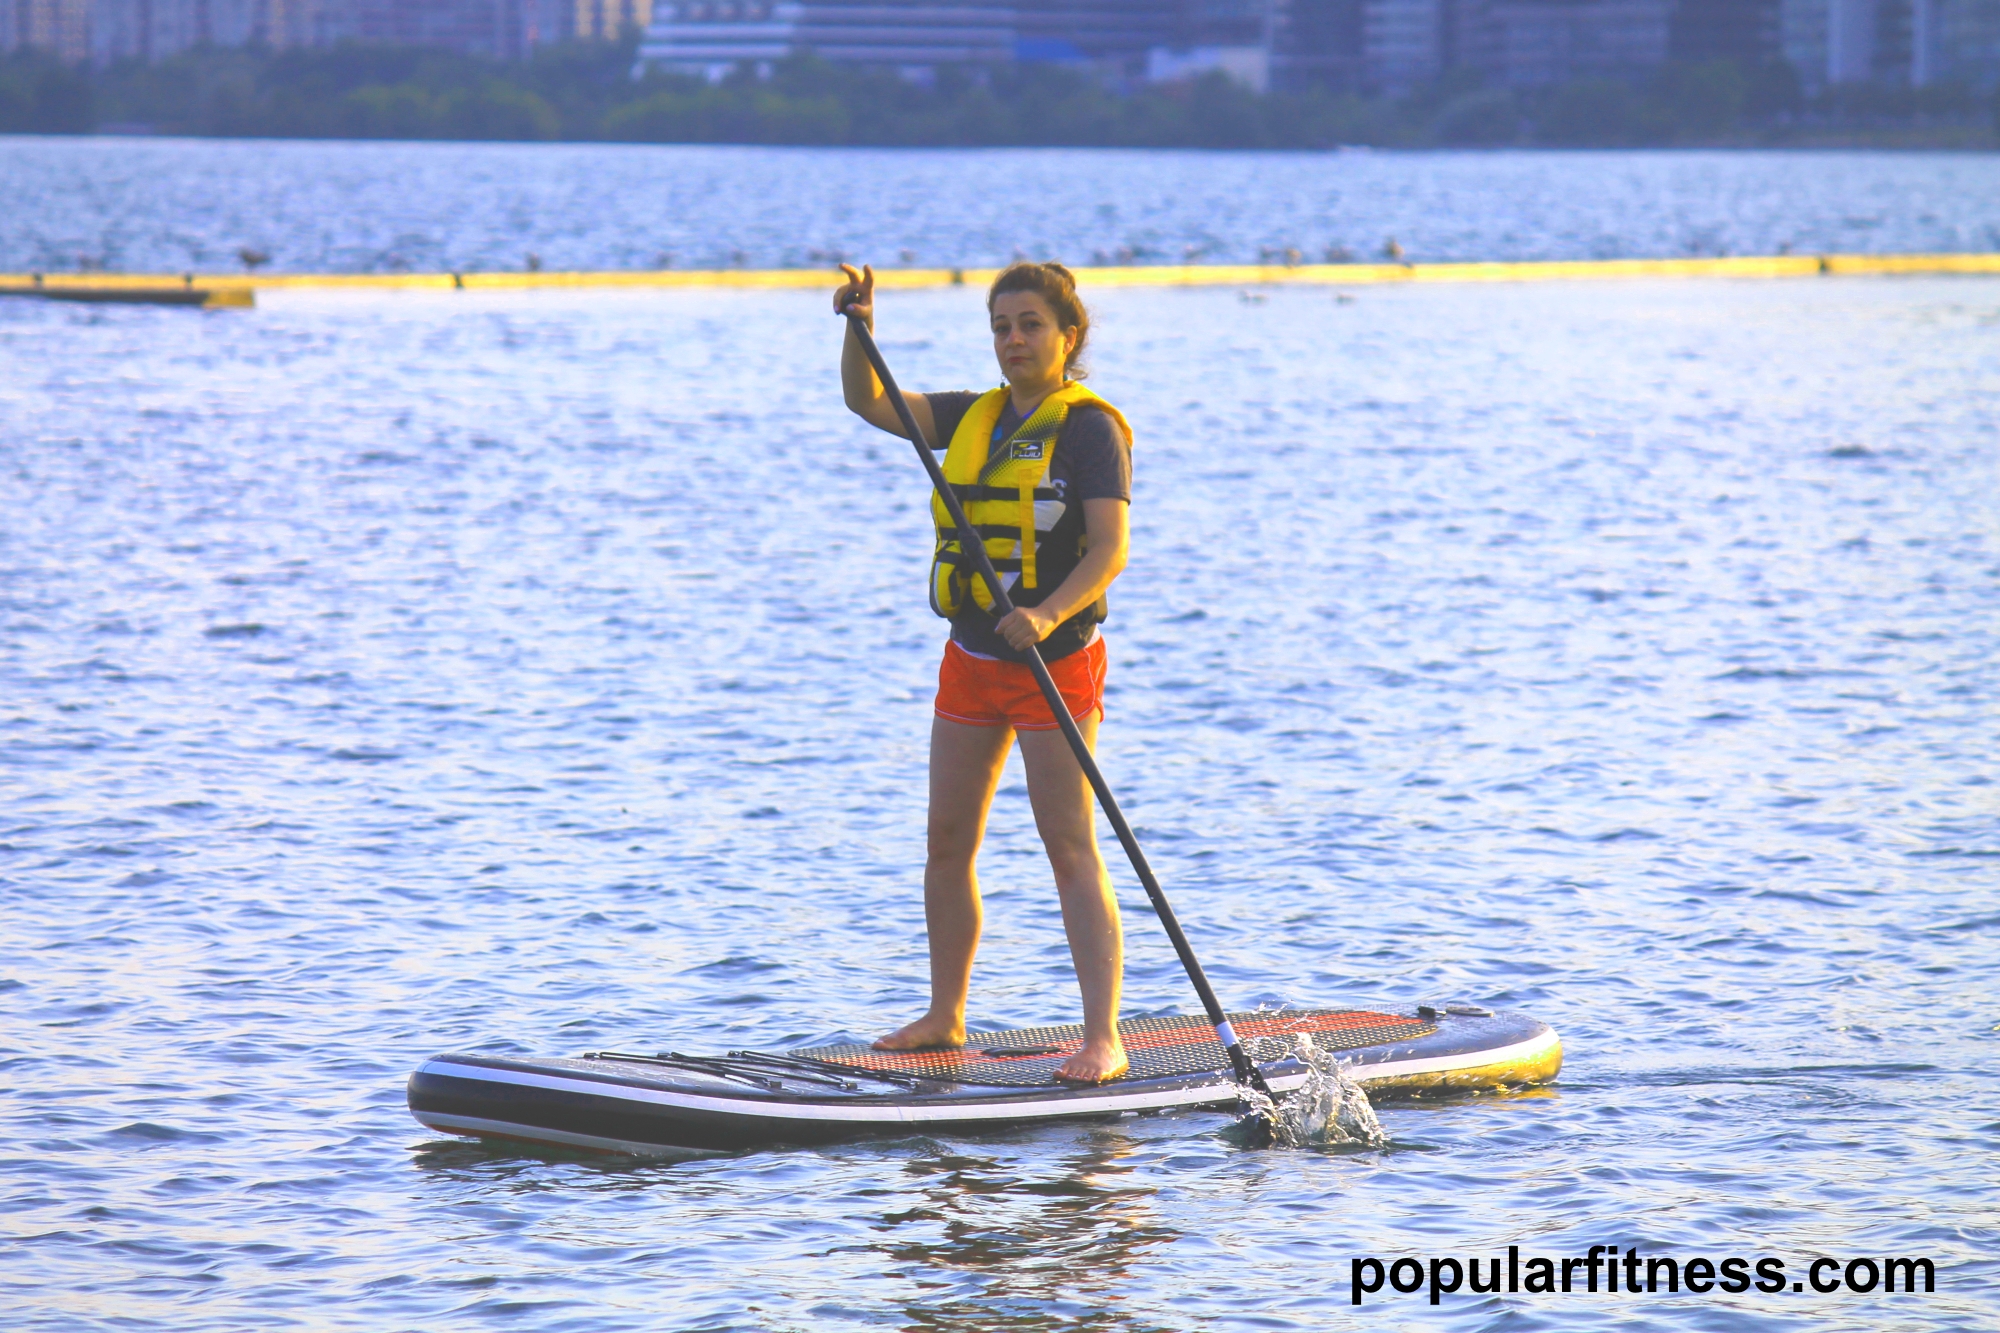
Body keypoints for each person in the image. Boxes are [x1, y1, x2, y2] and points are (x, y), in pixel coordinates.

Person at [835, 260, 1135, 1083]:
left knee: (1068, 844)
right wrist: (861, 330)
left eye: (1030, 324)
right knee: (946, 841)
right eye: (1001, 326)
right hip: (971, 657)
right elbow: (869, 401)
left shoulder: (1089, 431)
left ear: (1066, 336)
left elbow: (1109, 550)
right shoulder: (975, 416)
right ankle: (944, 1015)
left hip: (1055, 662)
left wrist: (1044, 613)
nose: (1013, 340)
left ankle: (1102, 1035)